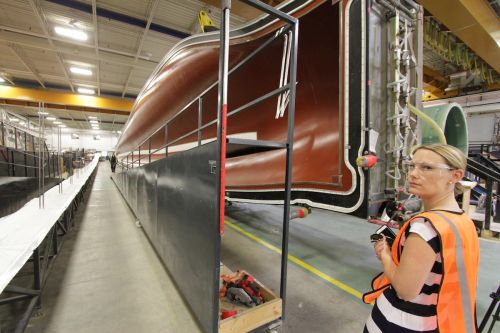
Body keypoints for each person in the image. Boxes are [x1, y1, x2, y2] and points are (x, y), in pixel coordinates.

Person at [363, 144, 480, 333]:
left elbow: (405, 290)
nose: (413, 174)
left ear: (455, 176)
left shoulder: (425, 227)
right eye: (412, 166)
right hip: (436, 321)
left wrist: (385, 255)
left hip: (400, 323)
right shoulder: (462, 221)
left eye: (427, 168)